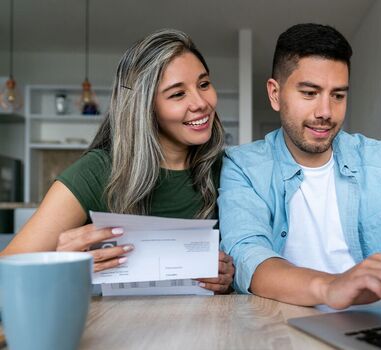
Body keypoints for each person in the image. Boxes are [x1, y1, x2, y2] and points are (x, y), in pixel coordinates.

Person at [219, 23, 381, 307]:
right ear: (275, 94)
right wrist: (331, 287)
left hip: (375, 320)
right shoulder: (243, 165)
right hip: (283, 322)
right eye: (309, 93)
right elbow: (248, 255)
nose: (325, 112)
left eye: (338, 95)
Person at [1, 29, 234, 294]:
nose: (202, 102)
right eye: (177, 94)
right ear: (144, 107)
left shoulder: (229, 170)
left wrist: (231, 277)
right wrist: (59, 264)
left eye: (204, 84)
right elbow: (5, 274)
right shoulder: (95, 173)